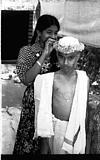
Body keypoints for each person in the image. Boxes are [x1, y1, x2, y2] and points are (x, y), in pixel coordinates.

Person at [13, 14, 60, 154]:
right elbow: (26, 79)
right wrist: (44, 54)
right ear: (39, 32)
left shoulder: (58, 52)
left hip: (52, 102)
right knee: (30, 137)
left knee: (47, 139)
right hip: (33, 103)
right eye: (49, 32)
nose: (53, 36)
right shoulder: (27, 51)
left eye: (56, 33)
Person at [34, 36, 90, 154]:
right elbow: (44, 111)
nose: (65, 62)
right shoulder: (51, 79)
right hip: (56, 128)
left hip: (75, 129)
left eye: (70, 58)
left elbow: (83, 110)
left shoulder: (84, 79)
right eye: (61, 57)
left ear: (78, 56)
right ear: (57, 55)